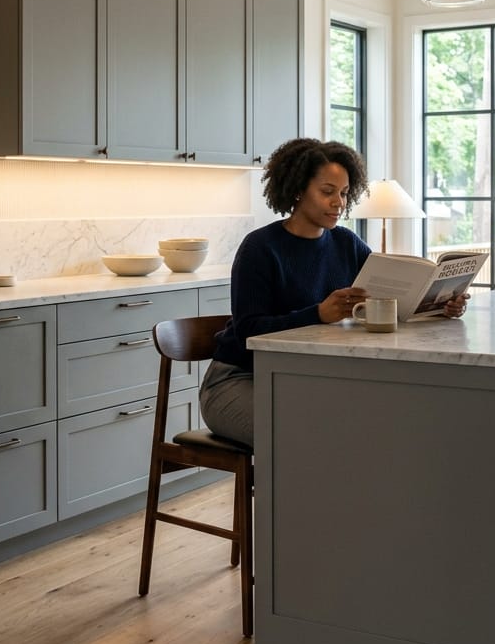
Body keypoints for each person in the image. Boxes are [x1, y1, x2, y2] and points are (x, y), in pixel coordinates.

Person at [199, 138, 467, 447]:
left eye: (343, 193)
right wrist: (317, 314)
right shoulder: (260, 248)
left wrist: (440, 305)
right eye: (327, 192)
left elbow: (391, 294)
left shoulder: (346, 243)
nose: (338, 202)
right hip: (238, 380)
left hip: (303, 378)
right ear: (298, 190)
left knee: (369, 422)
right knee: (310, 436)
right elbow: (249, 330)